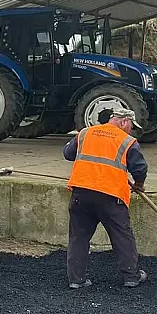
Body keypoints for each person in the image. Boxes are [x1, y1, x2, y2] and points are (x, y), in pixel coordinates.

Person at [63, 108, 149, 289]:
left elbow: (68, 154)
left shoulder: (85, 133)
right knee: (122, 236)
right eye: (131, 126)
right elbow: (139, 168)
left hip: (81, 193)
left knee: (79, 237)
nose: (131, 130)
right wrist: (139, 184)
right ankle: (131, 277)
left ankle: (76, 280)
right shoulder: (127, 141)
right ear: (124, 121)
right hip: (111, 196)